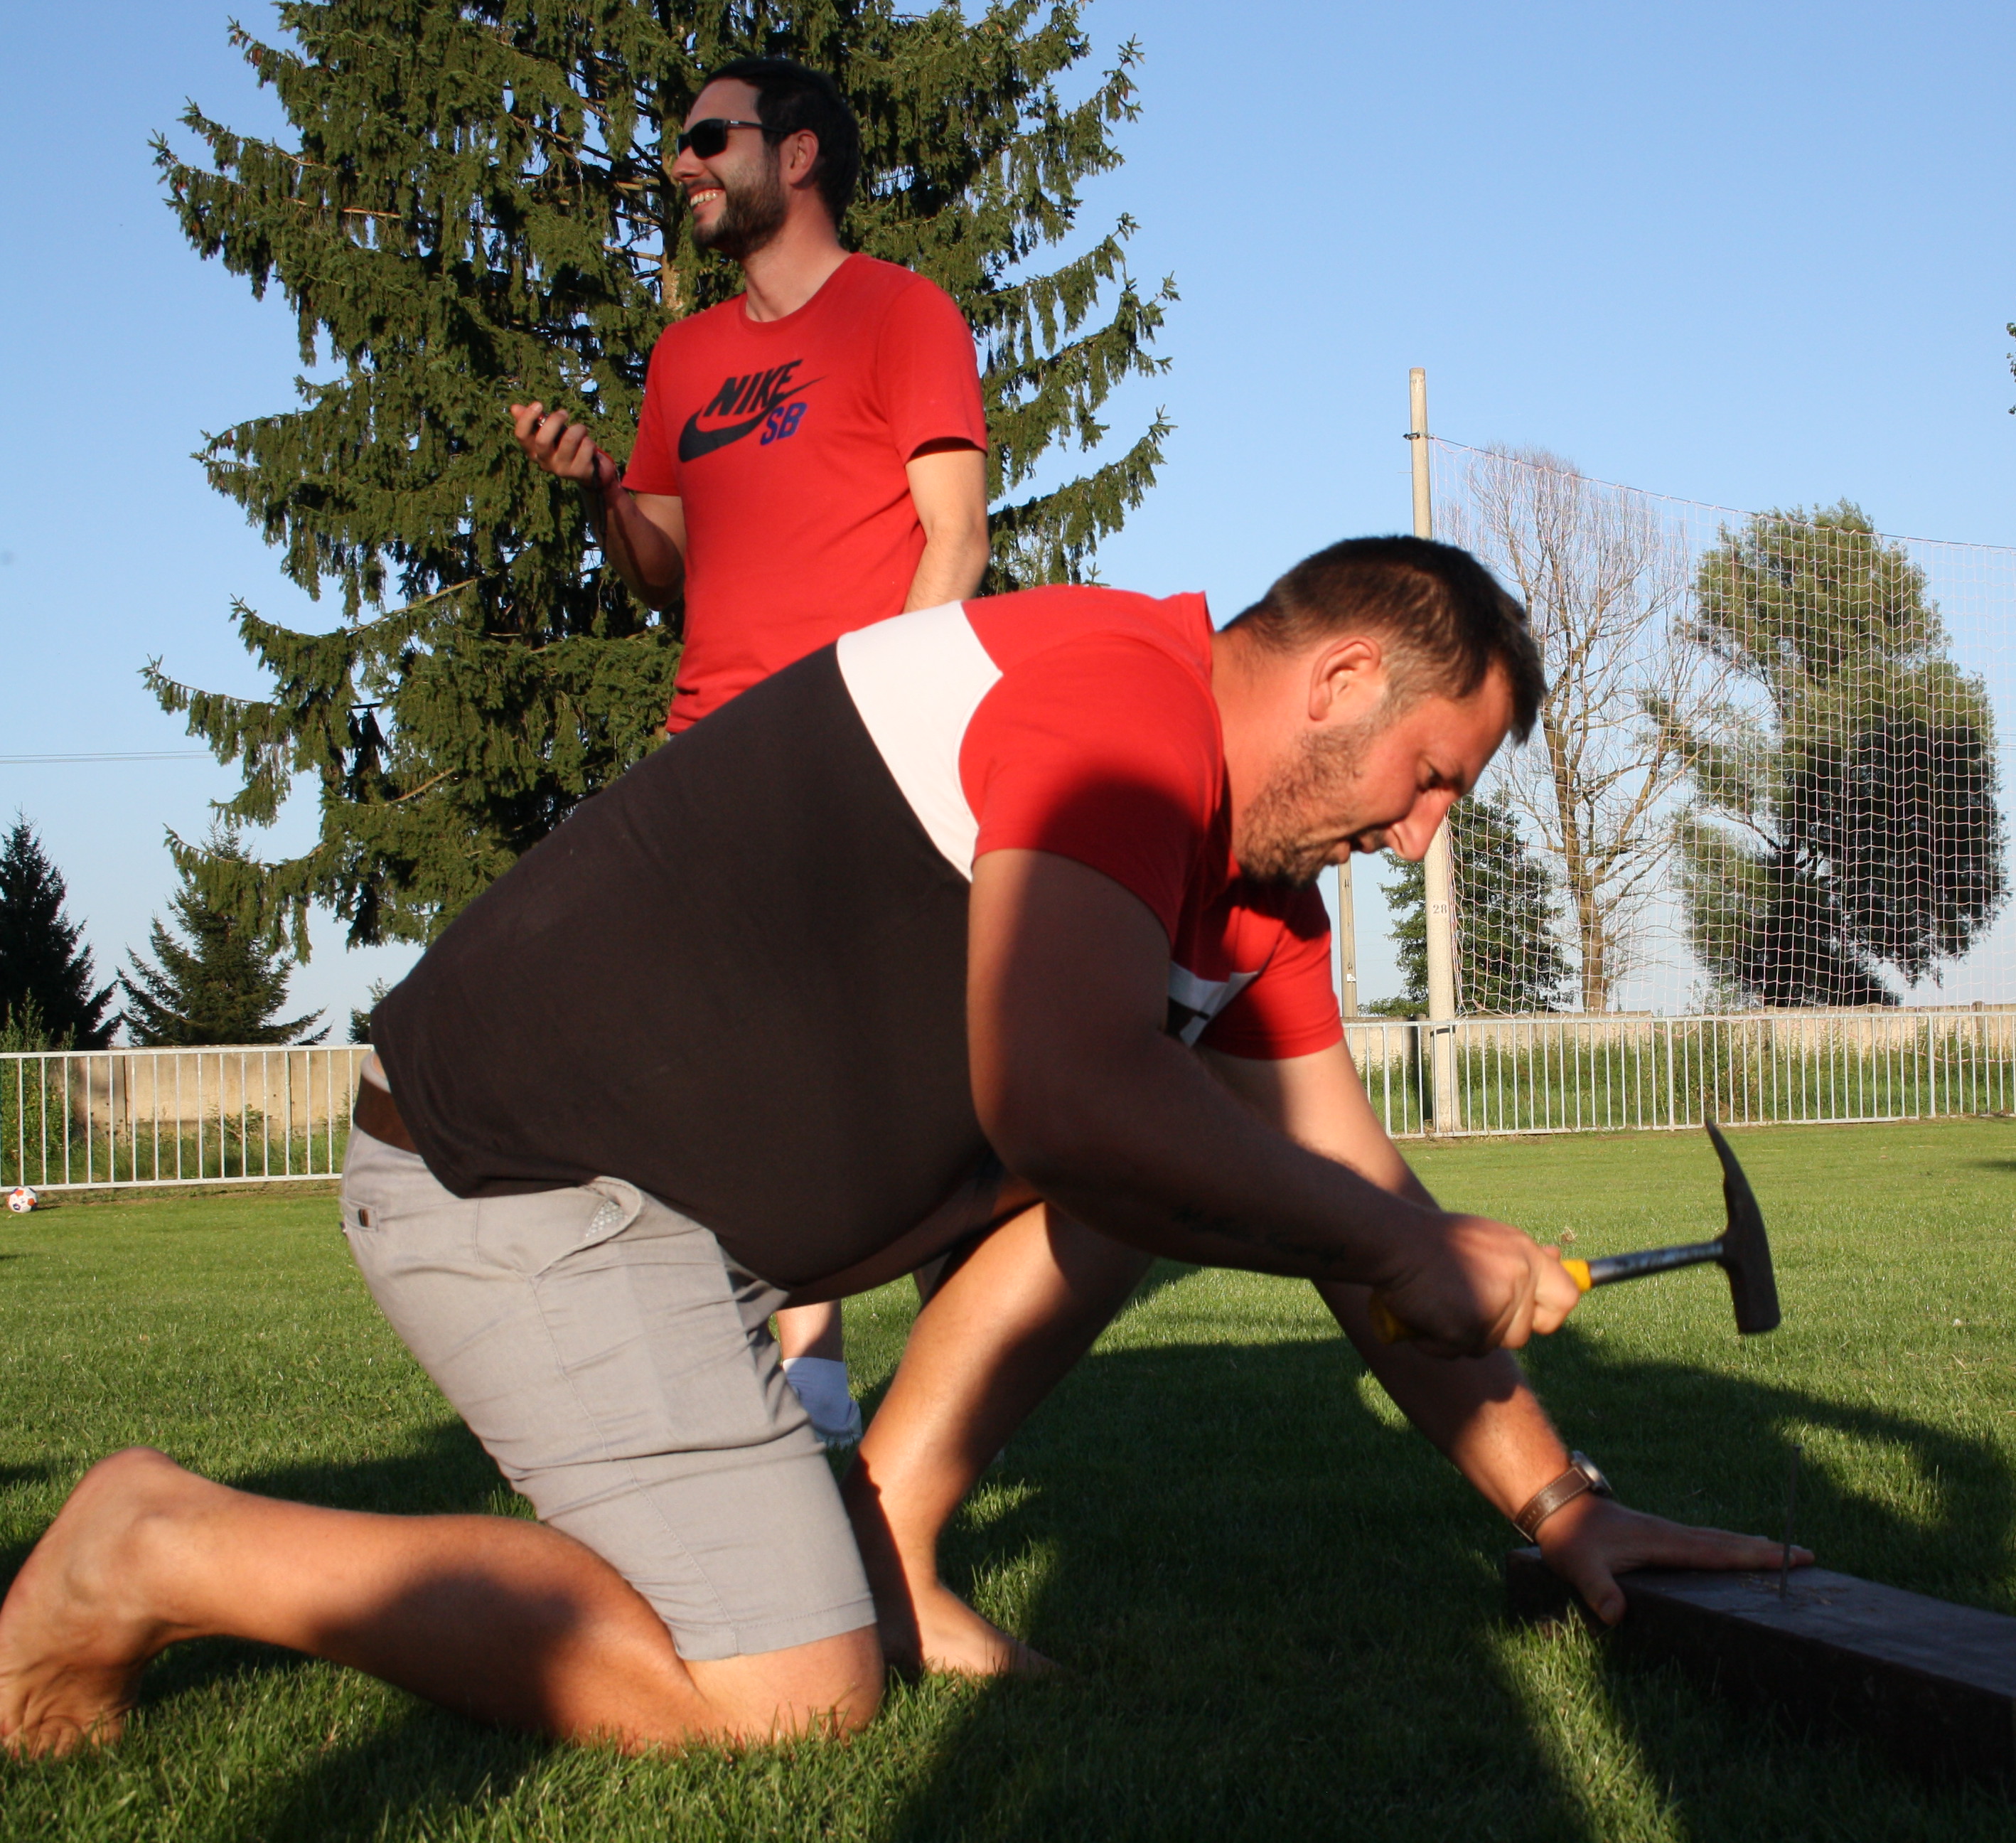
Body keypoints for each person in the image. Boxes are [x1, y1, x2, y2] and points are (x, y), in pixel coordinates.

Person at [0, 538, 1798, 1753]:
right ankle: (157, 1550)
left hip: (687, 1220)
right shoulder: (1117, 707)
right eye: (1428, 778)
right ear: (1335, 677)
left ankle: (896, 1548)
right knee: (784, 1695)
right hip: (519, 1173)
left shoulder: (1248, 905)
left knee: (1190, 1171)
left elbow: (1358, 1207)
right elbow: (1065, 1098)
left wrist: (1564, 1504)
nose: (1416, 843)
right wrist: (1388, 1238)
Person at [510, 57, 993, 1446]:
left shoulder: (902, 315)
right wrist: (606, 484)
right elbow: (663, 571)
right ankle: (784, 1374)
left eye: (706, 139)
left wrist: (879, 713)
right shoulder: (684, 358)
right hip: (706, 745)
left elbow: (953, 535)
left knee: (856, 1057)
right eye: (678, 144)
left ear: (797, 154)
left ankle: (852, 1361)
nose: (681, 164)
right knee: (714, 1053)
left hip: (853, 732)